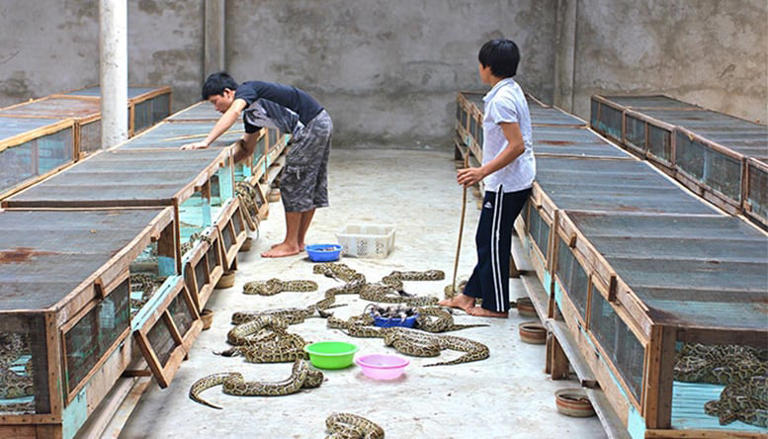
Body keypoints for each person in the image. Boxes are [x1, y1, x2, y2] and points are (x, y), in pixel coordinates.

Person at [181, 73, 332, 258]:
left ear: (228, 93)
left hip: (312, 125)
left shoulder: (248, 89)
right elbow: (247, 150)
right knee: (307, 184)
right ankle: (298, 241)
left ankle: (291, 243)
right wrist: (218, 168)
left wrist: (206, 141)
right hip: (317, 124)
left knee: (292, 184)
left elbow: (234, 111)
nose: (215, 108)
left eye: (215, 101)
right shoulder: (252, 117)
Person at [439, 39, 535, 318]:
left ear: (487, 67)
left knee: (492, 240)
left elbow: (517, 145)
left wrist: (482, 171)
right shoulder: (509, 90)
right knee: (487, 238)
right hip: (506, 181)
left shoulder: (502, 100)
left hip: (507, 183)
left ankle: (495, 306)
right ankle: (468, 296)